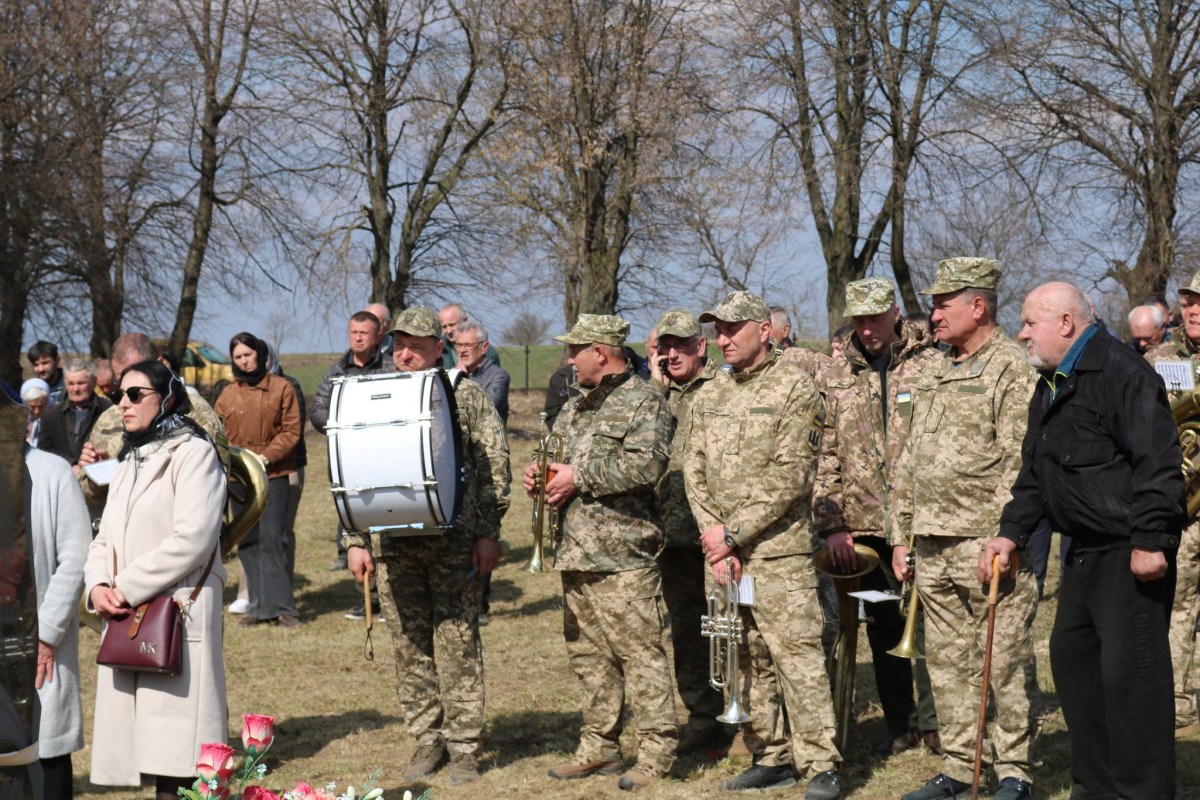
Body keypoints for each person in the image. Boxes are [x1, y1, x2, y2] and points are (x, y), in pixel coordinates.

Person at [980, 281, 1182, 800]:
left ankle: (1140, 791)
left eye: (1029, 322)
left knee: (1131, 684)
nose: (1021, 333)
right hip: (1084, 553)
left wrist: (1151, 540)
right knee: (1073, 665)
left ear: (1065, 324)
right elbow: (1035, 473)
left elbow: (1158, 463)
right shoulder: (1050, 382)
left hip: (1129, 553)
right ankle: (1094, 788)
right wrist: (1011, 534)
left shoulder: (1123, 374)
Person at [891, 257, 1040, 800]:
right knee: (948, 667)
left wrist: (1008, 536)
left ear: (978, 306)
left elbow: (1022, 462)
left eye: (942, 304)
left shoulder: (1011, 366)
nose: (932, 314)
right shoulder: (933, 368)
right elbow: (909, 460)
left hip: (986, 542)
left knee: (1002, 662)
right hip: (930, 543)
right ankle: (960, 767)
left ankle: (1015, 771)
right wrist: (900, 536)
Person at [684, 291, 842, 799]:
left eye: (733, 328)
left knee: (796, 659)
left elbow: (793, 477)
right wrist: (715, 537)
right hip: (726, 558)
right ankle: (772, 755)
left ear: (765, 331)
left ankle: (821, 764)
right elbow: (695, 471)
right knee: (745, 657)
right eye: (717, 330)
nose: (722, 338)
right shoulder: (710, 394)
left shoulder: (797, 388)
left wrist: (731, 536)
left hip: (779, 554)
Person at [346, 307, 510, 784]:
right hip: (394, 547)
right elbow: (350, 471)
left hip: (454, 544)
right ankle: (426, 738)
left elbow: (493, 470)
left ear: (440, 347)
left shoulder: (465, 397)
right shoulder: (369, 396)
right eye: (398, 344)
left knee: (457, 643)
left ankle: (464, 747)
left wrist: (488, 535)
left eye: (416, 345)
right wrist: (354, 540)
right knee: (410, 645)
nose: (405, 353)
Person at [520, 313, 678, 791]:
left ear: (601, 354)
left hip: (625, 557)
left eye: (576, 350)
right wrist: (540, 474)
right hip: (577, 553)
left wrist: (577, 477)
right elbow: (557, 458)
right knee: (589, 659)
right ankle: (599, 748)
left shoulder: (645, 401)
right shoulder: (574, 406)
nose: (569, 359)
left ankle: (656, 754)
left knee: (641, 657)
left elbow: (647, 466)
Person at [83, 361, 227, 800]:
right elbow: (102, 537)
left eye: (134, 394)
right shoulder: (129, 459)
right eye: (118, 395)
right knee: (144, 747)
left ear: (166, 398)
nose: (122, 403)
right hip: (129, 616)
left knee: (178, 760)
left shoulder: (195, 453)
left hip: (176, 614)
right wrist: (97, 587)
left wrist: (124, 586)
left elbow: (194, 539)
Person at [812, 278, 941, 758]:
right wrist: (833, 525)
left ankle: (935, 723)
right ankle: (900, 722)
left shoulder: (931, 364)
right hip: (863, 530)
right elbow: (823, 456)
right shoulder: (834, 374)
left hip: (922, 520)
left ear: (895, 313)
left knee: (929, 622)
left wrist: (920, 520)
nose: (866, 329)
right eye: (858, 320)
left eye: (875, 318)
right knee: (884, 624)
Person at [646, 309, 725, 754]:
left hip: (714, 532)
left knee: (729, 625)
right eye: (664, 347)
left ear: (702, 345)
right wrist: (656, 391)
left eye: (681, 345)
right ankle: (702, 716)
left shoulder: (722, 388)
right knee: (687, 629)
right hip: (670, 536)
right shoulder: (653, 396)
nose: (672, 354)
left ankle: (748, 713)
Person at [1144, 269, 1200, 737]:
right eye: (1188, 301)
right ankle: (1180, 703)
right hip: (1183, 506)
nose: (1194, 309)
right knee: (1180, 604)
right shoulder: (1161, 357)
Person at [76, 333, 228, 505]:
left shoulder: (197, 413)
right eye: (120, 380)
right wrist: (98, 472)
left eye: (136, 380)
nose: (125, 402)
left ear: (160, 364)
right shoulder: (109, 418)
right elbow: (90, 493)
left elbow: (214, 487)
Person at [214, 332, 301, 627]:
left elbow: (291, 431)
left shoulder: (282, 387)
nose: (244, 361)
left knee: (274, 538)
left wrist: (265, 458)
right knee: (249, 541)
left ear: (261, 355)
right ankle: (258, 607)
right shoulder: (227, 395)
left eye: (248, 355)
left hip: (273, 473)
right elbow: (217, 434)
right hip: (239, 478)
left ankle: (284, 607)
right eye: (238, 357)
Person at [26, 447, 91, 799]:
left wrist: (47, 634)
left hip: (40, 646)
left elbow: (76, 555)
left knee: (45, 752)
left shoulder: (51, 472)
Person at [310, 310, 394, 572]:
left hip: (386, 460)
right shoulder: (335, 372)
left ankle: (387, 590)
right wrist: (348, 422)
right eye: (353, 333)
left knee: (387, 527)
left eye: (364, 333)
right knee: (356, 530)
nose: (358, 338)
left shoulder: (392, 368)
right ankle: (365, 594)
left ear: (378, 336)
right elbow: (317, 413)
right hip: (348, 462)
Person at [38, 359, 113, 471]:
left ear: (93, 382)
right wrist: (71, 464)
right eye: (71, 384)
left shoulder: (109, 410)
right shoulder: (50, 416)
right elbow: (44, 450)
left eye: (81, 383)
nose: (76, 389)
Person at [456, 320, 510, 425]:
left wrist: (464, 382)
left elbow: (486, 410)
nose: (462, 350)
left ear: (484, 347)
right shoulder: (453, 374)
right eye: (459, 345)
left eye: (468, 345)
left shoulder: (498, 377)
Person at [439, 303, 500, 369]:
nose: (449, 331)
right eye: (444, 327)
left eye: (452, 325)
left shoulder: (488, 352)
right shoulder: (438, 350)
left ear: (465, 320)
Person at [19, 380, 50, 448]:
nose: (36, 411)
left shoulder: (56, 415)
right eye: (32, 407)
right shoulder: (19, 418)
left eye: (40, 406)